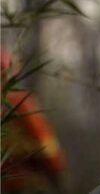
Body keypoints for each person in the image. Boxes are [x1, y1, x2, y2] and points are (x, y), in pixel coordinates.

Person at [1, 49, 66, 194]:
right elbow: (43, 139)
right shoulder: (19, 101)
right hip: (26, 180)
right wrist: (56, 169)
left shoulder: (17, 101)